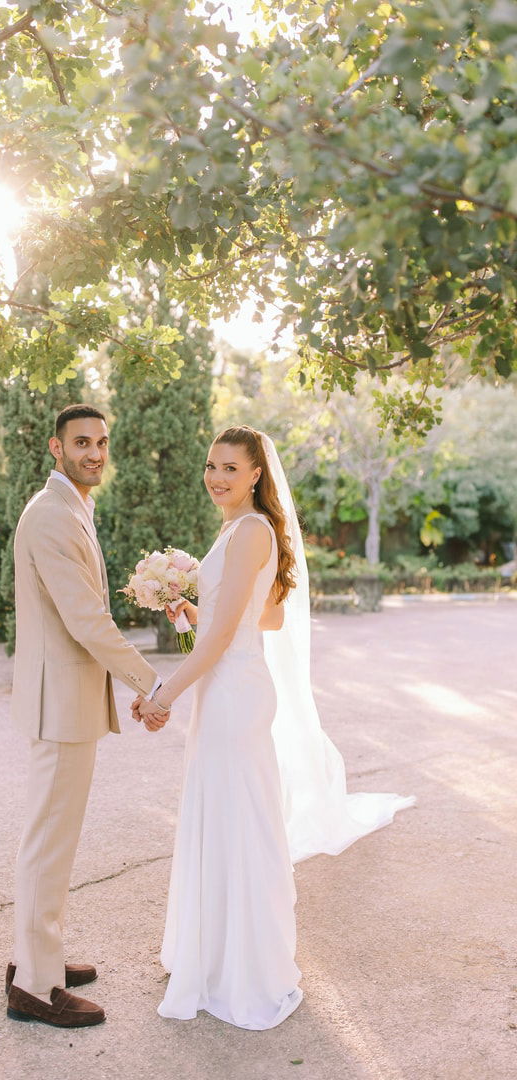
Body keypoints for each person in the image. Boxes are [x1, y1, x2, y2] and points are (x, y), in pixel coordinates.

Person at [134, 425, 414, 1030]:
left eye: (230, 468)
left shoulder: (251, 531)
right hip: (230, 687)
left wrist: (162, 695)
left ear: (257, 474)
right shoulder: (243, 531)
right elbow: (265, 615)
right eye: (211, 466)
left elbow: (219, 640)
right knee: (226, 815)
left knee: (238, 821)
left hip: (232, 694)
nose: (216, 478)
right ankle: (214, 957)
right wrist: (190, 607)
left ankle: (245, 970)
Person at [6, 404, 169, 1029]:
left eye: (102, 441)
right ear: (56, 446)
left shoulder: (71, 506)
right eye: (82, 442)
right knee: (48, 842)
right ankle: (37, 986)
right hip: (61, 705)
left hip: (66, 699)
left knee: (49, 838)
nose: (94, 452)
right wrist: (152, 681)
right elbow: (85, 621)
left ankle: (34, 957)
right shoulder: (51, 515)